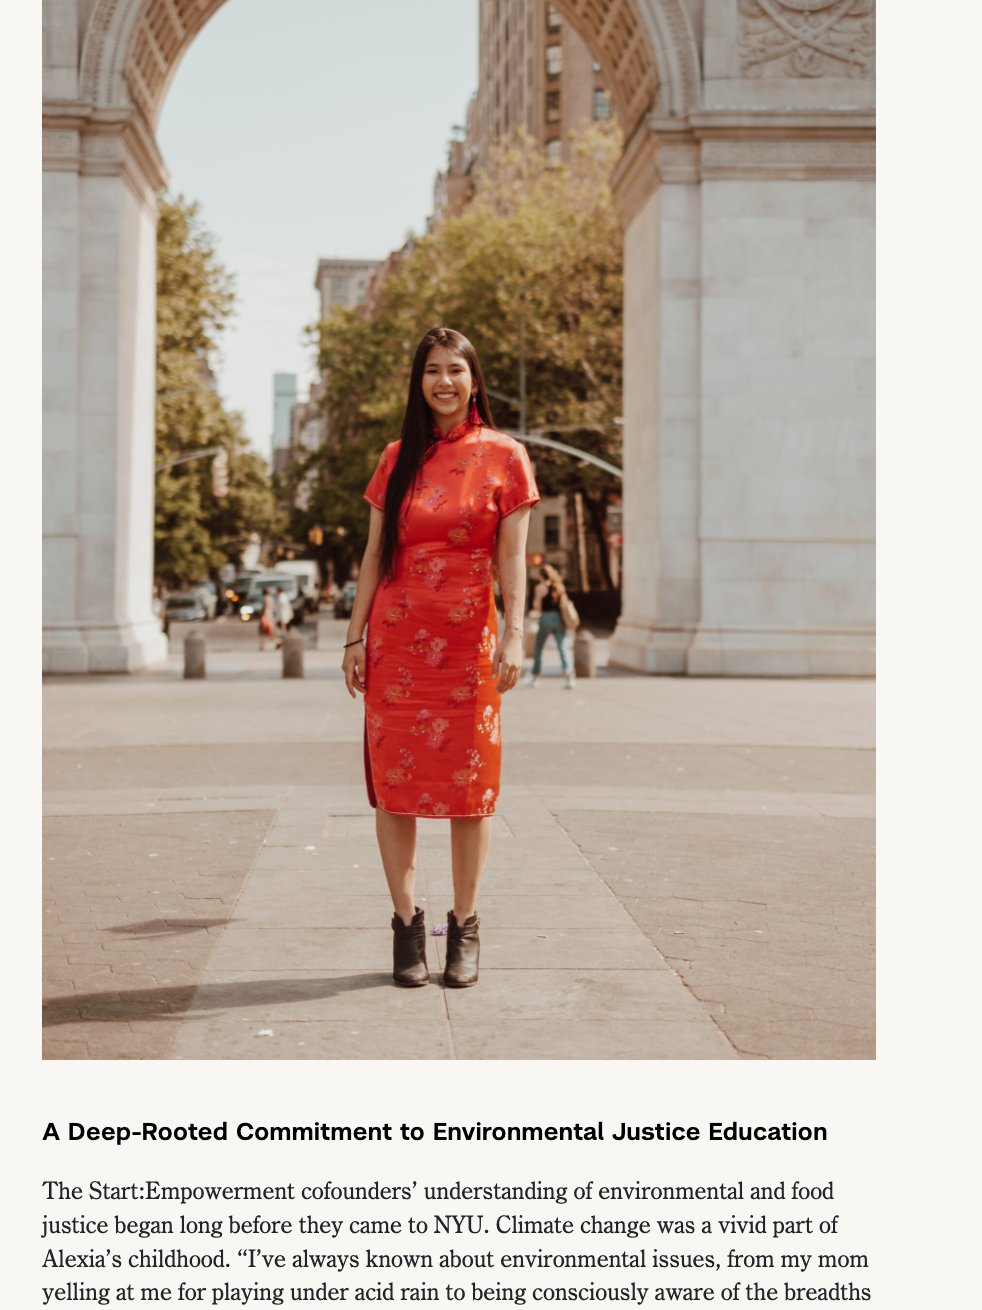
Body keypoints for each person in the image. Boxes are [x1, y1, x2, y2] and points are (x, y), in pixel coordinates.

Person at [342, 327, 538, 989]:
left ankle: (465, 926)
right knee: (395, 790)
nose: (444, 381)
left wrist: (514, 633)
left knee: (470, 793)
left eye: (456, 370)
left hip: (467, 648)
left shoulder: (506, 457)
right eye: (432, 370)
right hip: (397, 647)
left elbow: (512, 558)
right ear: (418, 381)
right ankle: (406, 927)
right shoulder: (396, 457)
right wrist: (354, 636)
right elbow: (374, 557)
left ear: (474, 380)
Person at [525, 564, 575, 689]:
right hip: (558, 619)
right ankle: (569, 677)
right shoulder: (559, 587)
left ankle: (535, 678)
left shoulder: (540, 588)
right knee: (563, 648)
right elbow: (563, 605)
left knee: (539, 649)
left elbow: (537, 607)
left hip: (545, 619)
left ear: (541, 576)